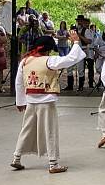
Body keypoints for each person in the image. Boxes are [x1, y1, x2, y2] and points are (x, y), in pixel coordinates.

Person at [11, 33, 85, 173]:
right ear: (48, 49)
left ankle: (16, 158)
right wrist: (75, 42)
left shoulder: (25, 61)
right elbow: (71, 58)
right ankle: (53, 163)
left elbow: (19, 82)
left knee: (26, 129)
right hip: (47, 101)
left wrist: (20, 101)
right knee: (50, 130)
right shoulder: (50, 61)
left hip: (31, 101)